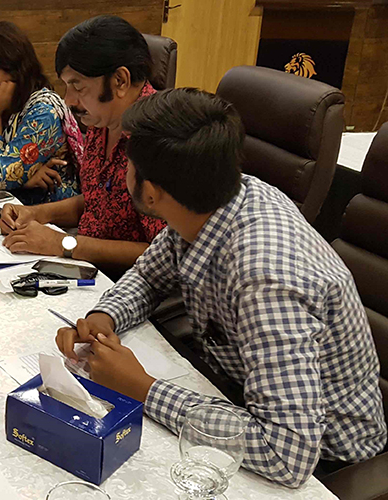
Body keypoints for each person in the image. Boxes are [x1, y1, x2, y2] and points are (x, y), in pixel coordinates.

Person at [56, 88, 387, 487]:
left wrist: (141, 388)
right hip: (240, 388)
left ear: (150, 192)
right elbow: (148, 276)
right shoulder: (211, 199)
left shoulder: (266, 278)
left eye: (129, 161)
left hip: (328, 462)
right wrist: (103, 316)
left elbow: (289, 452)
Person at [0, 16, 166, 273]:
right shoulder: (102, 120)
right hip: (86, 264)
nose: (69, 100)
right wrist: (36, 213)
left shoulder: (158, 139)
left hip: (129, 282)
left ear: (119, 81)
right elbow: (98, 201)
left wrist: (63, 243)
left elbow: (162, 252)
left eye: (78, 87)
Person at [0, 21, 83, 205]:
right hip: (8, 205)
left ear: (14, 70)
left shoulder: (44, 113)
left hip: (49, 216)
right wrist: (21, 182)